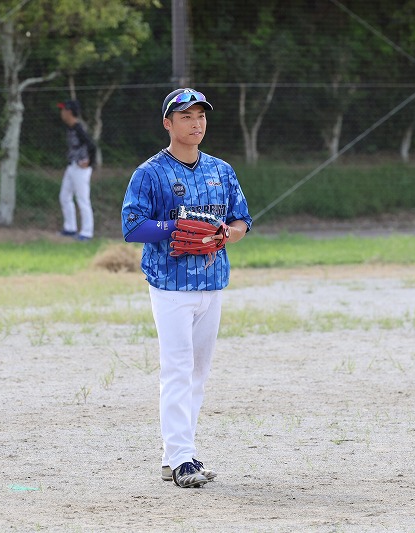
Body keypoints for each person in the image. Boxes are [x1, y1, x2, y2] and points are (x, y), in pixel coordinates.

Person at [120, 88, 252, 488]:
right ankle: (182, 460)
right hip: (170, 284)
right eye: (186, 117)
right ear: (168, 123)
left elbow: (242, 221)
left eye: (201, 116)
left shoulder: (221, 170)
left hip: (212, 282)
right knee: (177, 369)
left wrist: (227, 234)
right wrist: (174, 226)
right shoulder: (150, 173)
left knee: (197, 373)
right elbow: (132, 227)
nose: (196, 124)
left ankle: (177, 456)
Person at [57, 100, 96, 241]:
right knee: (64, 196)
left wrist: (90, 162)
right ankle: (70, 228)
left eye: (63, 110)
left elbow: (92, 146)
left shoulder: (79, 128)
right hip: (72, 166)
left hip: (81, 168)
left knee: (83, 199)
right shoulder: (71, 128)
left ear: (69, 112)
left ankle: (87, 232)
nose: (61, 113)